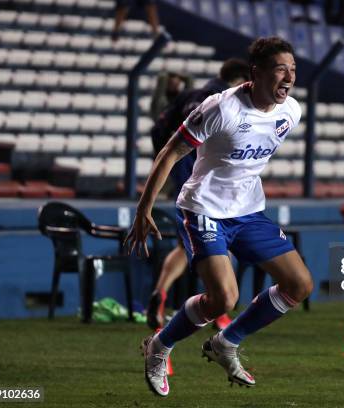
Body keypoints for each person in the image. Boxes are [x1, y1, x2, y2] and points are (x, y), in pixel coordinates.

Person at [125, 36, 313, 396]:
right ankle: (159, 347)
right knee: (224, 298)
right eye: (280, 70)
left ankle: (226, 343)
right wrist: (143, 208)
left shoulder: (291, 111)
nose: (288, 78)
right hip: (205, 209)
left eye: (293, 70)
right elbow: (169, 152)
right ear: (256, 73)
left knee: (299, 285)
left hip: (248, 211)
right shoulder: (221, 108)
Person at [147, 58, 251, 330]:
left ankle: (161, 291)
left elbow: (158, 130)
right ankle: (219, 306)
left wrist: (170, 165)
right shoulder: (222, 100)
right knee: (216, 240)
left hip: (181, 172)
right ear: (239, 78)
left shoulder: (188, 96)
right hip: (204, 177)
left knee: (187, 244)